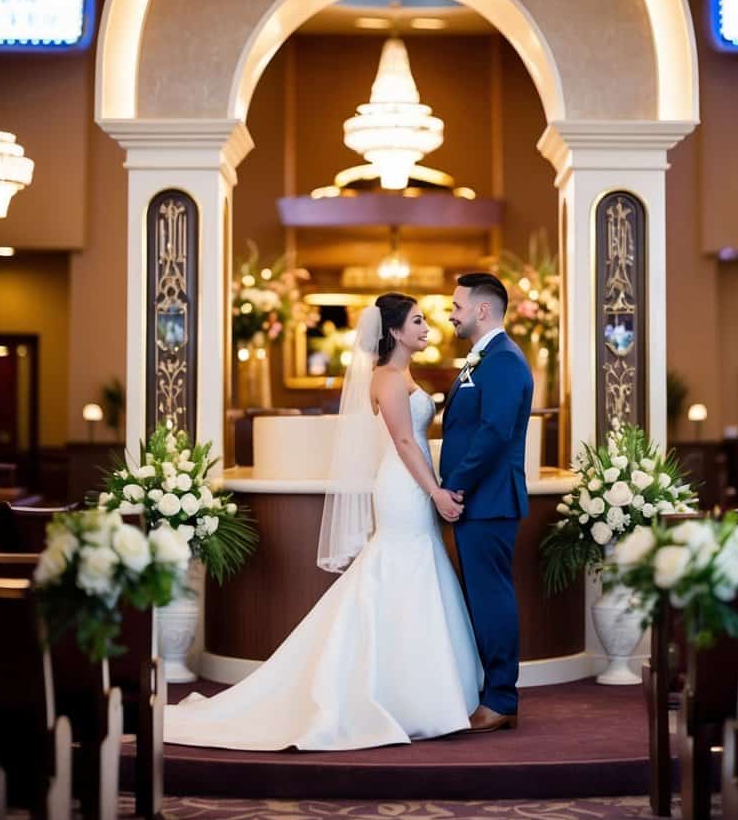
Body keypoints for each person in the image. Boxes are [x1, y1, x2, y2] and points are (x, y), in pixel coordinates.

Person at [163, 293, 482, 751]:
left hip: (411, 482)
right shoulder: (389, 379)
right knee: (399, 568)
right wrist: (435, 491)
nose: (427, 327)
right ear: (394, 332)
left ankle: (414, 689)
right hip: (403, 485)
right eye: (417, 321)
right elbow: (405, 443)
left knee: (411, 570)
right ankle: (397, 694)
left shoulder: (401, 374)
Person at [440, 272, 533, 733]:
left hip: (489, 500)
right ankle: (492, 693)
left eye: (456, 306)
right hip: (480, 499)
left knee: (491, 597)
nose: (450, 314)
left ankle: (500, 699)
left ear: (481, 310)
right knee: (481, 596)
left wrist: (455, 485)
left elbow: (495, 432)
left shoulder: (504, 361)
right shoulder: (483, 359)